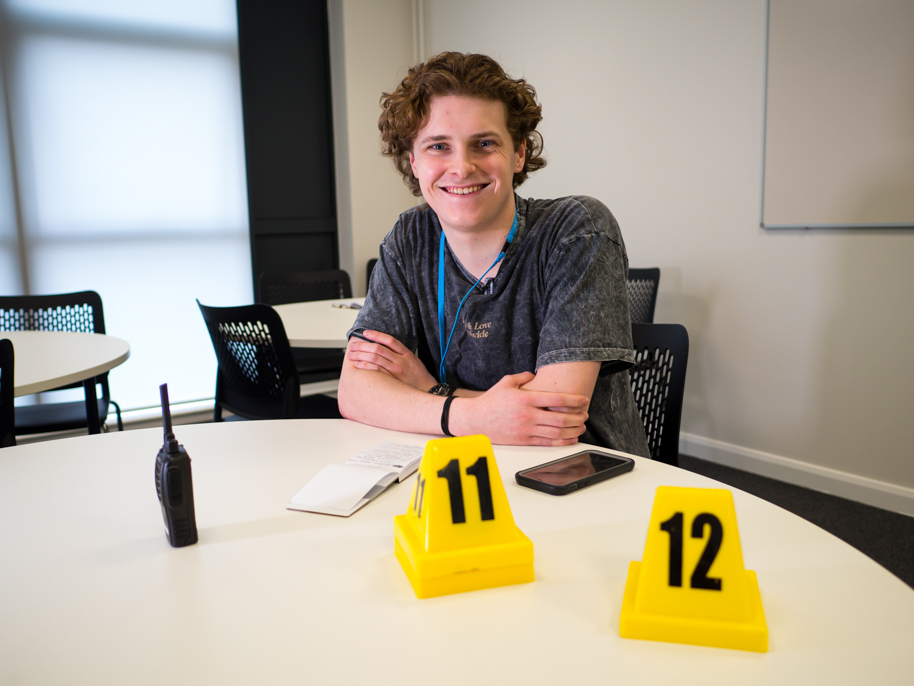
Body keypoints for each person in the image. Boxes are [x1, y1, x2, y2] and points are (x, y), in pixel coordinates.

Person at [338, 52, 649, 457]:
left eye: (484, 144)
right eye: (438, 146)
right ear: (413, 162)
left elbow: (550, 418)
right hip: (467, 470)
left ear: (518, 153)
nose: (462, 167)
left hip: (578, 474)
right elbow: (356, 391)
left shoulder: (576, 230)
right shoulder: (410, 239)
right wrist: (473, 415)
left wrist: (430, 390)